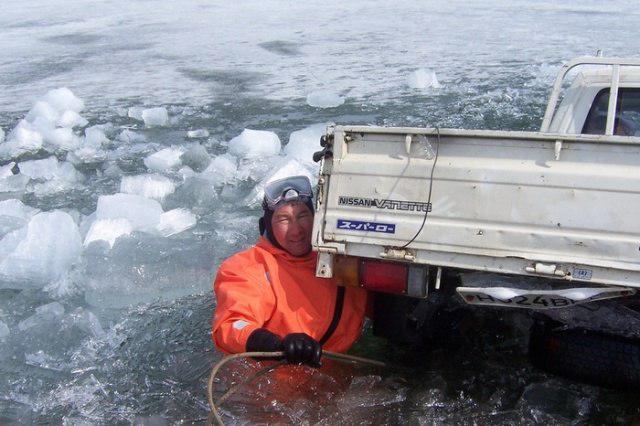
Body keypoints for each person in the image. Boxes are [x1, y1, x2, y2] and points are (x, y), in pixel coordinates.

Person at [212, 175, 368, 366]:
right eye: (283, 219)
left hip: (345, 371)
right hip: (275, 382)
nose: (296, 231)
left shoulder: (341, 260)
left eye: (303, 216)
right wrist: (277, 344)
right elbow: (230, 326)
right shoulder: (245, 268)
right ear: (267, 225)